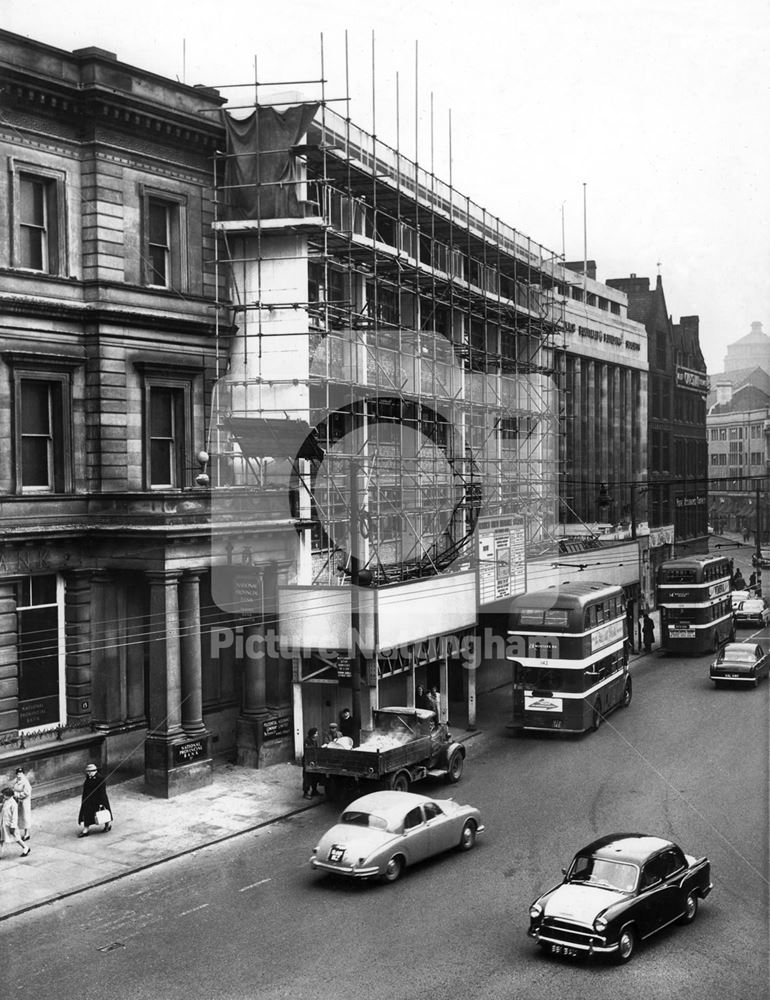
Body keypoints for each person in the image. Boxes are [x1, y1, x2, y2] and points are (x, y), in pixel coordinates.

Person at [78, 763, 112, 837]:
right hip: (89, 800)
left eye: (90, 772)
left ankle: (107, 825)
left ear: (95, 771)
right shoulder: (88, 777)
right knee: (87, 814)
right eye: (88, 772)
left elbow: (102, 792)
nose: (88, 773)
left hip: (99, 799)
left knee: (103, 813)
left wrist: (101, 802)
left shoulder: (100, 778)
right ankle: (86, 829)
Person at [1, 786, 30, 858]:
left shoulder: (13, 804)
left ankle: (26, 847)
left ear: (9, 795)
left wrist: (13, 827)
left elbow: (14, 817)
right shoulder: (6, 801)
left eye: (4, 795)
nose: (3, 796)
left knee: (17, 838)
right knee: (1, 839)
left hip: (10, 825)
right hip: (3, 824)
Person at [12, 766, 32, 842]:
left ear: (23, 774)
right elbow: (14, 788)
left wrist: (17, 795)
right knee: (18, 817)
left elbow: (27, 792)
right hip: (18, 802)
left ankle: (27, 833)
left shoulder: (25, 782)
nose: (19, 775)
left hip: (24, 802)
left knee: (25, 817)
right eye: (18, 773)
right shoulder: (17, 781)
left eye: (20, 773)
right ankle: (16, 832)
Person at [302, 727, 320, 799]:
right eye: (316, 733)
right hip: (307, 760)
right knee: (307, 777)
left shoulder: (315, 740)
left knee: (314, 776)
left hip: (313, 760)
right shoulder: (307, 740)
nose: (317, 734)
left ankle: (314, 791)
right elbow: (308, 750)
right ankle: (305, 793)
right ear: (312, 734)